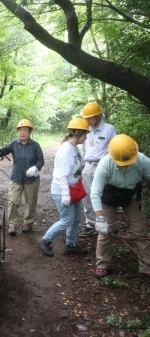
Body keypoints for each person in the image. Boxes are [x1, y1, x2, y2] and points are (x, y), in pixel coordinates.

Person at [90, 134, 150, 280]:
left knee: (140, 231)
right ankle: (102, 264)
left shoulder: (141, 160)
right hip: (109, 197)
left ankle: (146, 267)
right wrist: (99, 218)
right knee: (105, 231)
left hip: (132, 196)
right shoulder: (105, 164)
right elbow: (95, 192)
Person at [38, 118, 89, 257]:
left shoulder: (74, 148)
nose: (86, 137)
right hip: (63, 190)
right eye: (85, 134)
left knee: (77, 218)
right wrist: (66, 195)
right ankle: (45, 240)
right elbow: (62, 175)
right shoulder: (66, 150)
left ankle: (71, 244)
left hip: (73, 189)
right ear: (77, 132)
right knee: (67, 220)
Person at [0, 119, 44, 235]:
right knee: (13, 200)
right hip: (16, 177)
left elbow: (41, 160)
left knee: (31, 201)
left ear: (29, 132)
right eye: (20, 130)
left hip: (31, 178)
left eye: (25, 130)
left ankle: (28, 222)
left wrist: (36, 168)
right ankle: (12, 224)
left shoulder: (35, 145)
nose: (22, 133)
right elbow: (3, 151)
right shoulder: (14, 144)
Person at [79, 102, 118, 237]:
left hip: (104, 167)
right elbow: (84, 149)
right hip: (88, 167)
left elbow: (115, 149)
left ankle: (106, 223)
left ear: (98, 116)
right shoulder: (86, 130)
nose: (87, 120)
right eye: (86, 118)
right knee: (87, 196)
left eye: (90, 118)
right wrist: (83, 165)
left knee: (104, 196)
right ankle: (90, 224)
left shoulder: (109, 129)